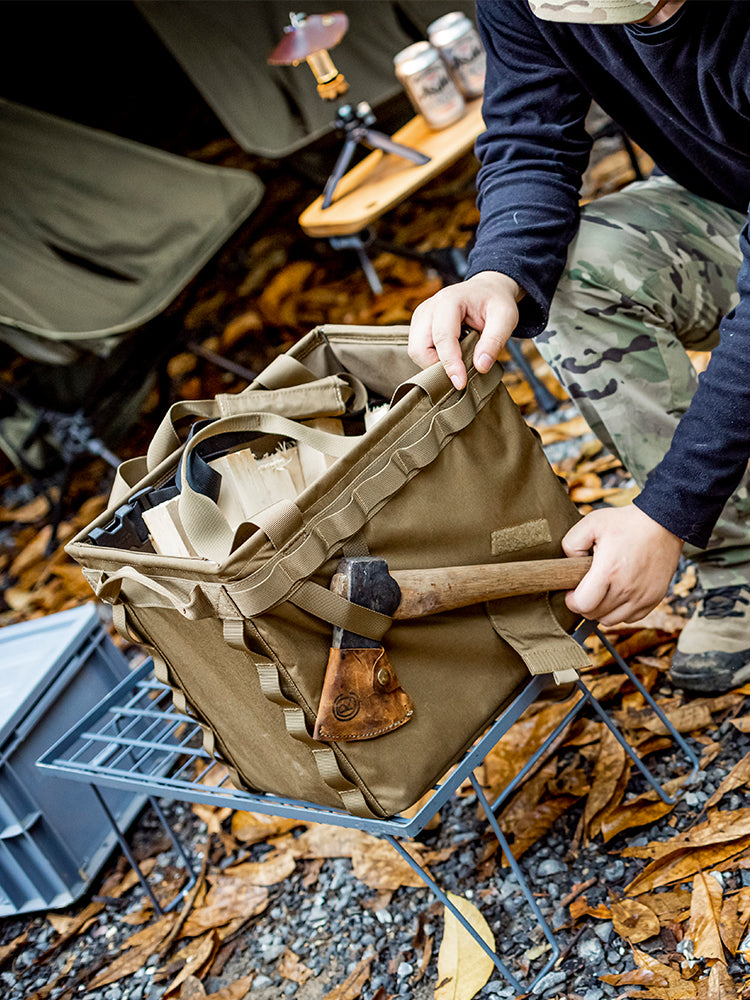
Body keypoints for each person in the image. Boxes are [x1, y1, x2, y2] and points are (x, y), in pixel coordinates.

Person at [408, 0, 750, 693]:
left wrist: (668, 512)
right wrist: (500, 268)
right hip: (728, 204)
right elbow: (532, 136)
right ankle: (744, 560)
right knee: (572, 279)